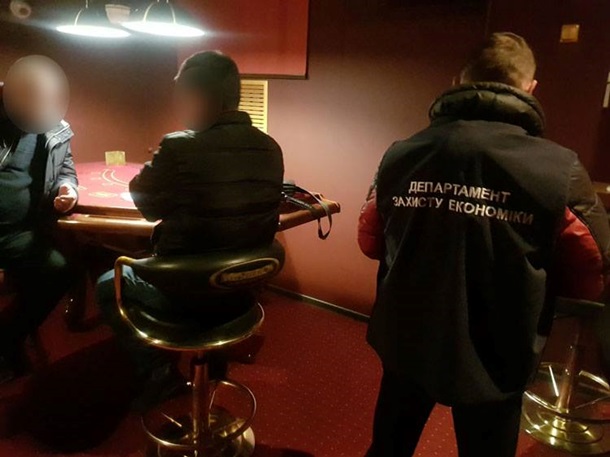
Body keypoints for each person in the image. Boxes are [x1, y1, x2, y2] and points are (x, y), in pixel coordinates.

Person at [358, 32, 610, 457]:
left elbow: (369, 241)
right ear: (531, 88)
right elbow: (593, 271)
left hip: (405, 337)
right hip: (498, 352)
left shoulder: (400, 154)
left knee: (388, 447)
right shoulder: (559, 170)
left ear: (458, 81)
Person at [95, 51, 284, 408]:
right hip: (241, 292)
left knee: (108, 283)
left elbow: (147, 207)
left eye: (181, 96)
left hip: (185, 297)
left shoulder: (179, 145)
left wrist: (161, 166)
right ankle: (213, 362)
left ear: (199, 97)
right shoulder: (271, 148)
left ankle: (159, 375)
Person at [0, 56, 78, 382]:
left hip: (20, 233)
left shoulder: (55, 128)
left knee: (59, 271)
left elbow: (67, 170)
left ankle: (7, 340)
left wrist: (68, 190)